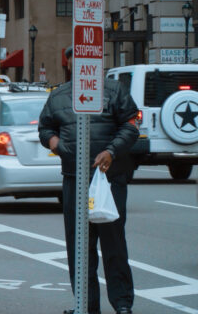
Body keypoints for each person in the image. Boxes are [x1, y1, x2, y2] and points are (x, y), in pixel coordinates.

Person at [38, 46, 138, 314]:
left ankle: (122, 304)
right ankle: (86, 305)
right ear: (70, 65)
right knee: (79, 247)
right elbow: (45, 128)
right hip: (74, 179)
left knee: (114, 244)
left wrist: (111, 151)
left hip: (109, 179)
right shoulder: (58, 95)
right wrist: (58, 144)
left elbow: (131, 126)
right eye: (74, 63)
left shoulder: (114, 91)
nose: (80, 67)